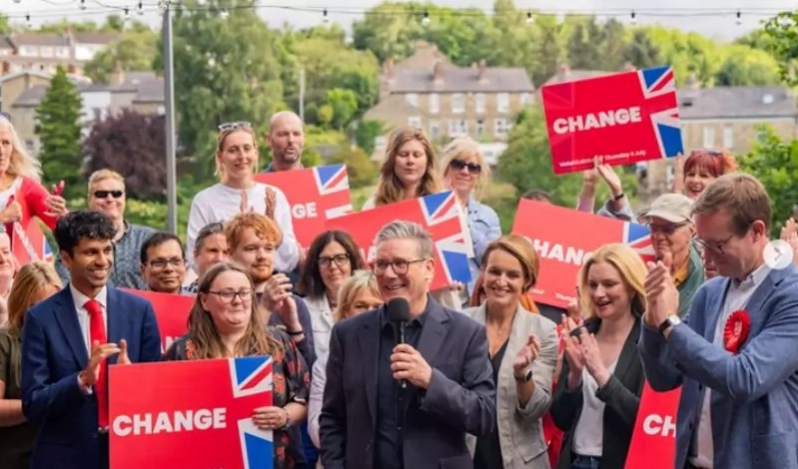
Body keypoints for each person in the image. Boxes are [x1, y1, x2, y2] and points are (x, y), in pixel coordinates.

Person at [640, 173, 798, 469]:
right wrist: (652, 319)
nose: (708, 257)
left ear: (756, 231)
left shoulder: (790, 295)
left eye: (719, 245)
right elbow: (663, 379)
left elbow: (746, 378)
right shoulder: (709, 293)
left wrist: (670, 325)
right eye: (703, 243)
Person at [319, 220, 496, 469]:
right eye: (381, 265)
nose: (389, 274)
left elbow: (484, 415)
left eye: (401, 264)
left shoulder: (465, 333)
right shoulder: (348, 334)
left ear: (428, 268)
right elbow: (332, 418)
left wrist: (431, 381)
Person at [20, 210, 162, 469]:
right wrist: (82, 380)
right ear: (66, 258)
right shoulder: (41, 318)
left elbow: (159, 396)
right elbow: (34, 404)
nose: (102, 260)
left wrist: (134, 381)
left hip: (129, 455)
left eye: (107, 250)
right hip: (65, 459)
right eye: (90, 252)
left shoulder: (140, 311)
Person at [164, 262, 310, 469]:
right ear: (205, 301)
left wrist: (284, 416)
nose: (237, 301)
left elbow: (303, 398)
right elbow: (165, 415)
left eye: (244, 293)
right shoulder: (182, 351)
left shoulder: (278, 342)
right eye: (227, 293)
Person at [464, 235, 558, 469]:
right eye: (495, 271)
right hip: (465, 456)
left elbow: (536, 409)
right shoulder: (459, 322)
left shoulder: (543, 330)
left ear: (527, 281)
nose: (501, 281)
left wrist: (522, 374)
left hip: (519, 462)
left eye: (513, 275)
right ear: (483, 273)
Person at [550, 243, 646, 469]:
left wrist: (602, 376)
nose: (599, 293)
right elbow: (561, 419)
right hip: (574, 461)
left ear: (632, 287)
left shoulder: (649, 344)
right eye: (592, 285)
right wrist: (574, 377)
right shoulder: (580, 336)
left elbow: (645, 420)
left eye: (609, 284)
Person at [186, 122, 299, 275]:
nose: (242, 156)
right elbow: (194, 258)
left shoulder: (274, 195)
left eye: (247, 149)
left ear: (256, 153)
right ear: (220, 157)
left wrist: (273, 229)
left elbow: (290, 260)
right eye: (233, 150)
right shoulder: (205, 200)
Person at [307, 270, 383, 460]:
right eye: (361, 306)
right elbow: (317, 430)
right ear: (345, 311)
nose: (370, 313)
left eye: (377, 306)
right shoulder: (326, 363)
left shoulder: (404, 355)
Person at [225, 212, 316, 366]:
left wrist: (294, 328)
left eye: (269, 248)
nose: (262, 256)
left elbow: (309, 372)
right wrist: (265, 309)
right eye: (251, 248)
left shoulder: (294, 304)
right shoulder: (223, 301)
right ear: (231, 253)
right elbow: (236, 363)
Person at [0, 262, 62, 469]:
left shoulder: (72, 339)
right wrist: (42, 404)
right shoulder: (6, 342)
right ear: (21, 306)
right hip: (17, 459)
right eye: (38, 308)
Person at [56, 170, 156, 289]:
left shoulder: (149, 239)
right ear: (89, 199)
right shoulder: (74, 242)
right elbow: (64, 284)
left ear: (125, 198)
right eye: (101, 194)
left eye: (116, 193)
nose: (109, 199)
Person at [439, 137, 501, 296]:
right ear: (446, 167)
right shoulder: (428, 208)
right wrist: (446, 204)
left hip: (472, 301)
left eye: (473, 167)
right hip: (438, 297)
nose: (465, 171)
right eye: (458, 164)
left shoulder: (488, 216)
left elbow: (493, 262)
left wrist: (461, 219)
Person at [297, 230, 366, 359]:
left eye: (340, 258)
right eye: (325, 260)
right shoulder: (304, 309)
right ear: (316, 267)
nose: (333, 266)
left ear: (353, 261)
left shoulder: (373, 303)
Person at [0, 116, 67, 233]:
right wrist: (2, 217)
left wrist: (61, 213)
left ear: (13, 148)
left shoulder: (24, 186)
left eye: (6, 143)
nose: (1, 151)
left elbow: (67, 229)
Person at [645, 193, 704, 317]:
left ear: (692, 230)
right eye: (654, 228)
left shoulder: (705, 272)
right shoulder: (641, 264)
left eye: (668, 229)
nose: (659, 236)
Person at [672, 149, 738, 199]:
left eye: (704, 176)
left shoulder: (725, 213)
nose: (695, 180)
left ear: (719, 180)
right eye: (691, 174)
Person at [185, 222, 229, 293]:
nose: (220, 258)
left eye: (226, 252)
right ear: (196, 255)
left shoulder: (246, 300)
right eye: (213, 251)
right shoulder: (182, 297)